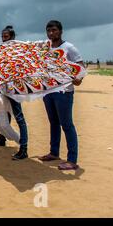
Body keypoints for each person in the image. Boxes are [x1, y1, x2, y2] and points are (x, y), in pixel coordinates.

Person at [38, 20, 85, 170]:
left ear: (60, 31)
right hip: (48, 92)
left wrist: (78, 79)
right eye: (48, 31)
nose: (51, 33)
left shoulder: (69, 47)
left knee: (67, 124)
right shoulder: (46, 48)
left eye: (54, 30)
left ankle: (72, 160)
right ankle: (54, 152)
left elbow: (81, 66)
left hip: (64, 92)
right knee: (53, 123)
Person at [0, 25, 29, 160]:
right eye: (2, 37)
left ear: (12, 37)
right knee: (4, 115)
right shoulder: (1, 52)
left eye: (6, 37)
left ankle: (24, 148)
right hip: (3, 89)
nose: (3, 40)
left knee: (19, 118)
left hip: (15, 91)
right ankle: (2, 139)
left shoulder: (19, 52)